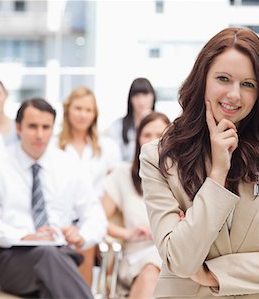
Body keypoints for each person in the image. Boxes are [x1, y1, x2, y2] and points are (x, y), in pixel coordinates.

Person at [140, 27, 259, 298]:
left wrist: (214, 274)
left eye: (248, 84)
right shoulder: (158, 157)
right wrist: (217, 173)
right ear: (202, 80)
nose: (234, 95)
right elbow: (178, 260)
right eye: (223, 79)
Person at [0, 98, 107, 299]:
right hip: (14, 259)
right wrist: (24, 236)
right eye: (32, 126)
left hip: (62, 255)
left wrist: (81, 235)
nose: (40, 134)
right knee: (48, 258)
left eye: (46, 127)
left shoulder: (69, 164)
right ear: (18, 127)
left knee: (52, 277)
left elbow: (95, 215)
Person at [102, 112, 170, 299]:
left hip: (172, 253)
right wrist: (127, 234)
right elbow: (97, 220)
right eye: (147, 135)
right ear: (138, 139)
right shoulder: (122, 174)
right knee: (150, 271)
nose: (153, 141)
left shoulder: (182, 176)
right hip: (137, 255)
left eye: (159, 135)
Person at [59, 86, 121, 198]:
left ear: (94, 115)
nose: (83, 115)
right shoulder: (53, 146)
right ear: (67, 110)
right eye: (78, 108)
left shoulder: (108, 147)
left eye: (88, 110)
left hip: (99, 211)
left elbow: (116, 186)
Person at [108, 77, 156, 161]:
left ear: (153, 96)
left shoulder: (162, 124)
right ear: (130, 100)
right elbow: (112, 157)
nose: (141, 101)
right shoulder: (117, 126)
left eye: (145, 95)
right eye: (137, 96)